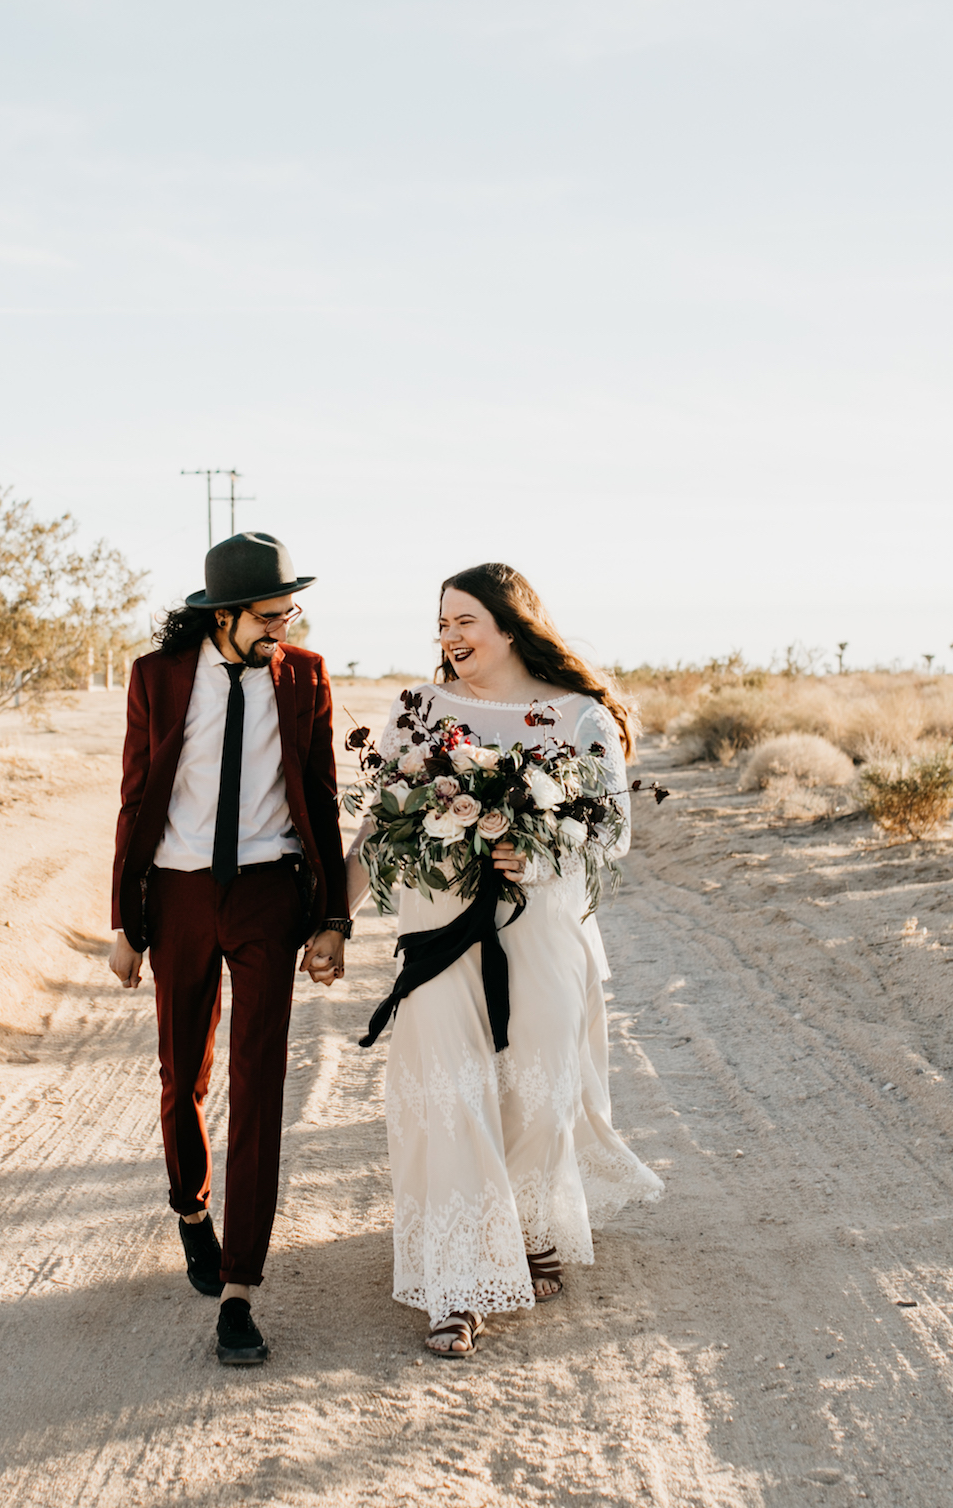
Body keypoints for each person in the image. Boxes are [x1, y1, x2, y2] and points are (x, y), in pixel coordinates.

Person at [344, 562, 663, 1358]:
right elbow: (379, 825)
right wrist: (331, 919)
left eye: (465, 623)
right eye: (442, 624)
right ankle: (456, 1283)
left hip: (542, 932)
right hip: (440, 932)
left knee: (534, 1097)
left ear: (510, 626)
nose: (450, 639)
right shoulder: (417, 712)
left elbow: (613, 832)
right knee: (448, 1095)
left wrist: (544, 852)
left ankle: (524, 1224)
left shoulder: (579, 716)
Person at [108, 531, 349, 1367]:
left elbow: (320, 796)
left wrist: (334, 919)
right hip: (176, 894)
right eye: (274, 611)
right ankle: (190, 1209)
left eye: (292, 610)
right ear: (229, 613)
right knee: (185, 1072)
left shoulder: (305, 675)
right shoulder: (158, 676)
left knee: (260, 1079)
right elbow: (137, 797)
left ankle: (241, 1286)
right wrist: (124, 924)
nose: (287, 623)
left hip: (268, 892)